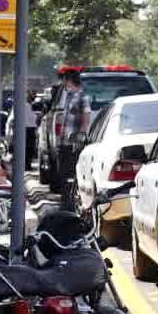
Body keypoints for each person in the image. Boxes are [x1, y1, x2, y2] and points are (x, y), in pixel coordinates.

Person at [57, 70, 91, 210]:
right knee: (63, 174)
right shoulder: (68, 96)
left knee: (72, 174)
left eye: (65, 80)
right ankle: (65, 203)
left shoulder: (83, 97)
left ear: (70, 80)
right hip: (64, 142)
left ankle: (71, 205)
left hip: (73, 144)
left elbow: (86, 118)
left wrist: (79, 138)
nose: (63, 83)